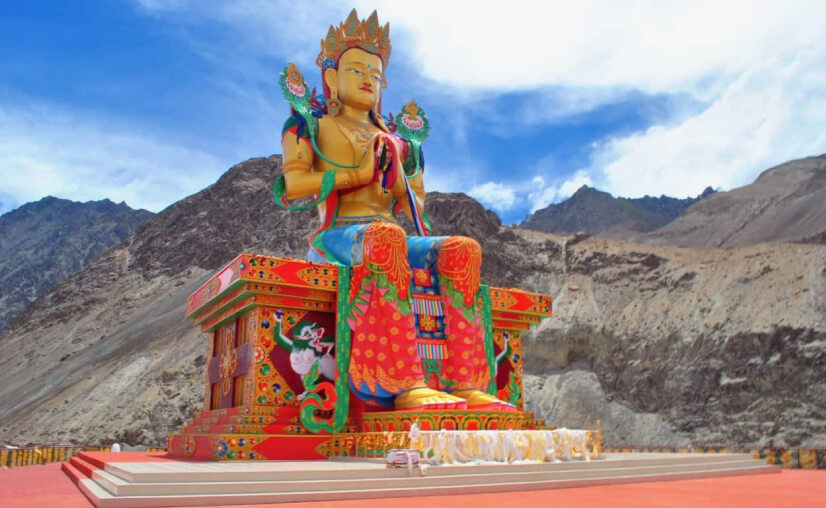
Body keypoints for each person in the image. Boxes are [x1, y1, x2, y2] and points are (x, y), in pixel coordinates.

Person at [277, 9, 513, 412]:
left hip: (391, 236)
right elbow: (294, 185)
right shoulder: (311, 126)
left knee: (463, 250)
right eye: (356, 70)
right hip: (341, 232)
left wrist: (399, 179)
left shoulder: (400, 142)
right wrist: (358, 174)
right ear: (331, 78)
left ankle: (464, 382)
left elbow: (416, 206)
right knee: (387, 239)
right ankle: (401, 381)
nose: (368, 79)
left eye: (375, 74)